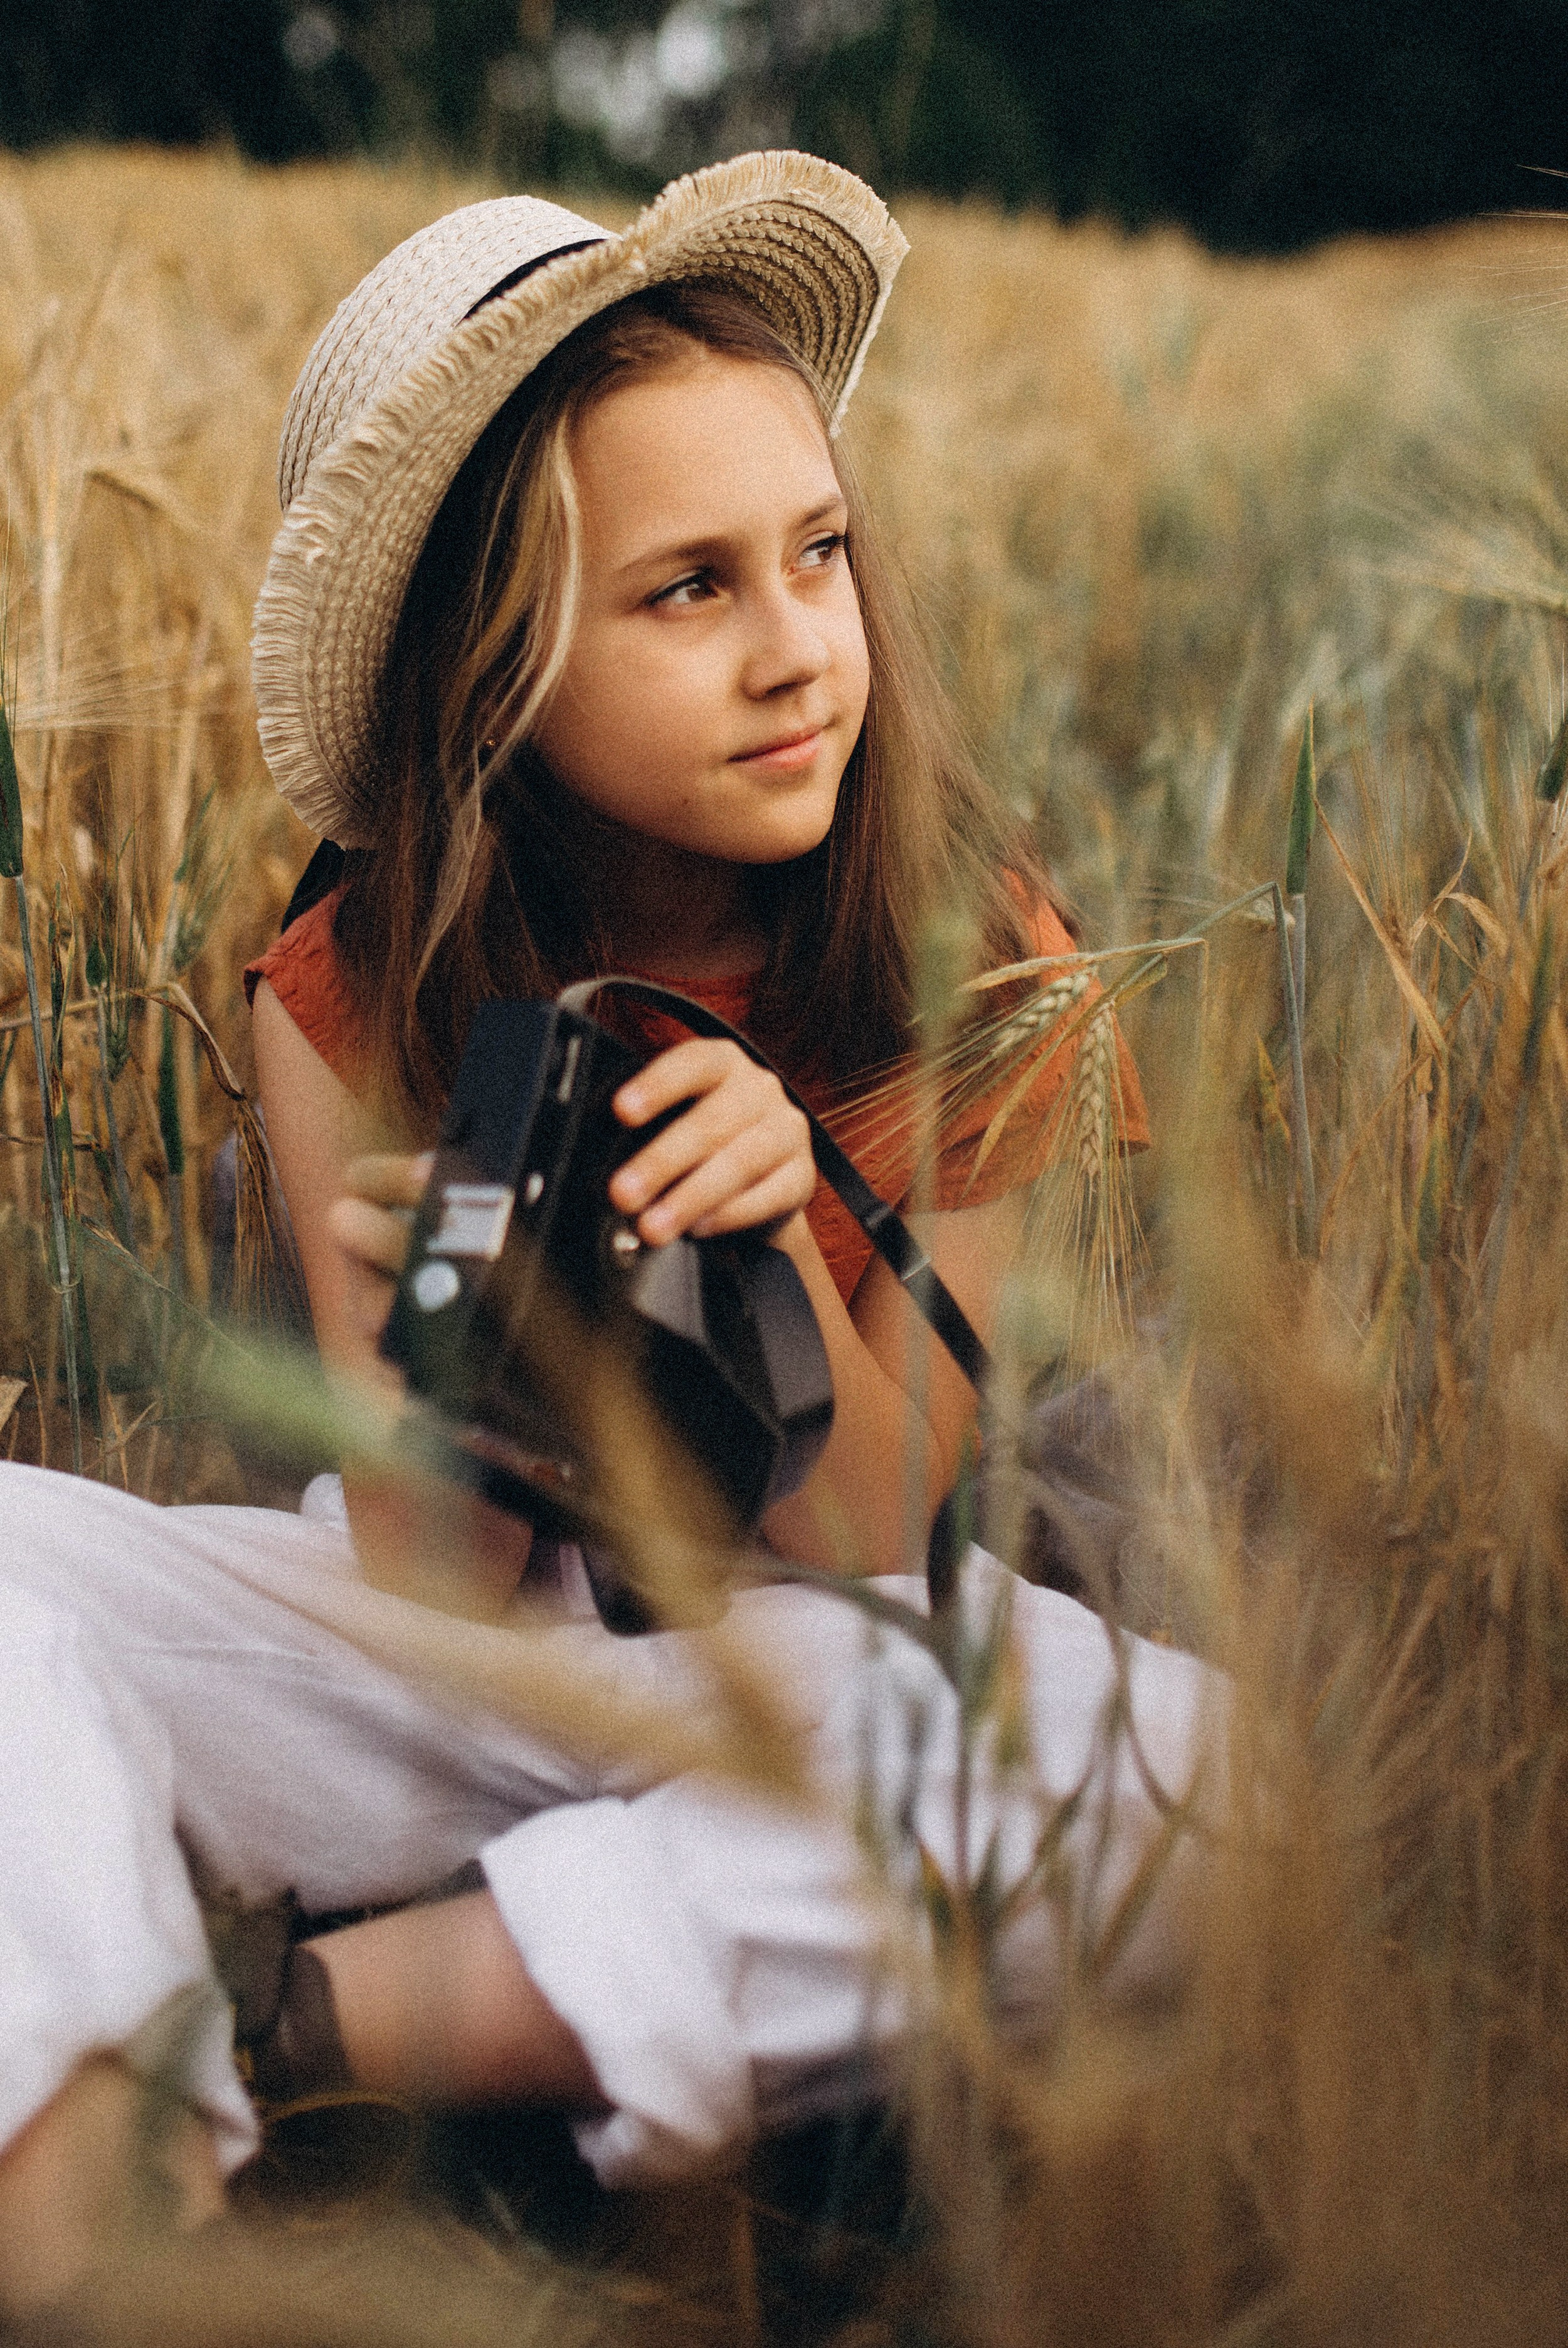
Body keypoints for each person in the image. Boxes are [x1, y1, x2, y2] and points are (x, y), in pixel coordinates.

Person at [0, 154, 1219, 2309]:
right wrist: (450, 1360)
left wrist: (784, 1219)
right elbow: (440, 1598)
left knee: (1199, 1795)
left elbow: (868, 1536)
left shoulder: (978, 946)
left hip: (792, 1652)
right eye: (687, 592)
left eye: (819, 556)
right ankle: (82, 2190)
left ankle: (319, 2031)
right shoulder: (349, 976)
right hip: (443, 1663)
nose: (796, 655)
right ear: (496, 676)